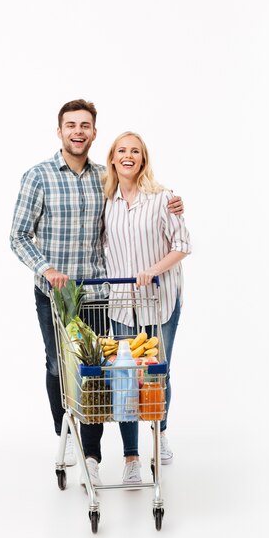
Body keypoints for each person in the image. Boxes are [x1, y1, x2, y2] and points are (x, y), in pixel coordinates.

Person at [10, 99, 184, 486]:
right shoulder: (38, 176)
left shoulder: (104, 176)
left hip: (100, 293)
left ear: (93, 132)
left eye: (85, 125)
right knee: (60, 365)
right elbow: (18, 235)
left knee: (99, 371)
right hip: (58, 294)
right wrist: (48, 269)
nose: (78, 131)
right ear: (60, 131)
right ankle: (67, 432)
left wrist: (174, 202)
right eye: (71, 125)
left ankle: (97, 454)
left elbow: (140, 190)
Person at [103, 131, 191, 484]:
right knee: (125, 379)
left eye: (135, 151)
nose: (128, 156)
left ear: (143, 159)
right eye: (121, 150)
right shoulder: (104, 200)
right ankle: (131, 457)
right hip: (122, 305)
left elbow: (183, 244)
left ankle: (161, 432)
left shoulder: (162, 198)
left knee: (158, 373)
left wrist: (152, 271)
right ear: (112, 158)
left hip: (161, 298)